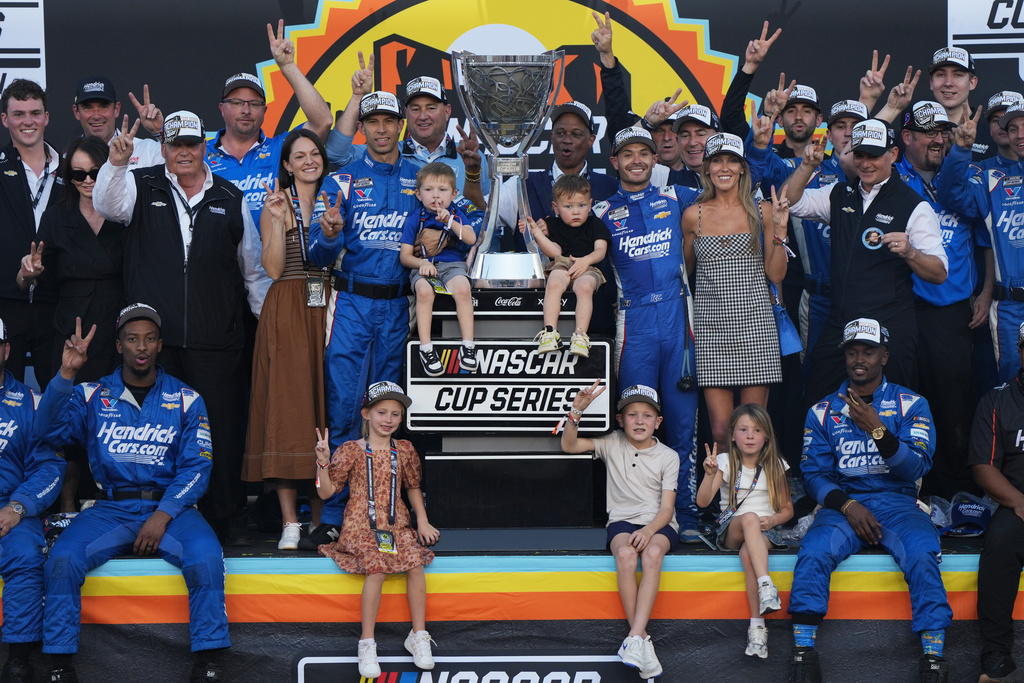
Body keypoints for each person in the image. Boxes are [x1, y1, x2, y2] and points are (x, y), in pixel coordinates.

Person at [93, 112, 264, 546]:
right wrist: (115, 164)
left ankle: (226, 516)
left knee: (221, 432)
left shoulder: (230, 195)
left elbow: (253, 272)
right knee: (159, 433)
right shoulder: (141, 182)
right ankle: (158, 517)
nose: (184, 152)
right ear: (164, 148)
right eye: (175, 145)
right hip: (156, 344)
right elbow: (106, 206)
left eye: (192, 144)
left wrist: (266, 325)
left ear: (205, 146)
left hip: (217, 340)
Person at [36, 305, 230, 683]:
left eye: (149, 338)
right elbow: (47, 432)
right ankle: (60, 667)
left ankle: (207, 665)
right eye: (132, 339)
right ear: (119, 344)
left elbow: (198, 467)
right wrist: (66, 373)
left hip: (172, 510)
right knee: (62, 558)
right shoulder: (91, 394)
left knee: (207, 557)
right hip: (111, 509)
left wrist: (163, 515)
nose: (141, 347)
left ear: (160, 345)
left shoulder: (188, 398)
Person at [788, 318, 951, 683]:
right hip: (845, 505)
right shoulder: (822, 411)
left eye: (868, 351)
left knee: (924, 551)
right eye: (852, 352)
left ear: (885, 356)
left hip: (898, 502)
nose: (859, 359)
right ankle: (803, 656)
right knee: (813, 550)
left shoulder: (912, 404)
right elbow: (814, 476)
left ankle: (934, 661)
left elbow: (916, 466)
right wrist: (847, 506)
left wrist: (877, 429)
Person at [307, 91, 420, 547]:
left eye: (388, 120)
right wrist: (331, 235)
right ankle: (335, 512)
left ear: (400, 125)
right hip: (351, 304)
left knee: (387, 414)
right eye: (371, 120)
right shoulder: (342, 180)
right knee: (343, 408)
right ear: (363, 127)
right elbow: (317, 252)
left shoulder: (421, 175)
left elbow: (461, 222)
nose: (380, 128)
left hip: (398, 306)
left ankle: (383, 512)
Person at [784, 119, 948, 403]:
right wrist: (806, 167)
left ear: (893, 155)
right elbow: (789, 201)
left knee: (890, 411)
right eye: (860, 155)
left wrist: (911, 253)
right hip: (841, 323)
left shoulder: (914, 205)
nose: (866, 163)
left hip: (888, 326)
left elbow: (939, 272)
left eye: (874, 155)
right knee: (819, 402)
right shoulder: (839, 194)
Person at [594, 127, 702, 537]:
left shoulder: (678, 197)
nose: (636, 160)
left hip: (678, 320)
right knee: (635, 422)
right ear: (614, 162)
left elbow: (731, 198)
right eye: (627, 154)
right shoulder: (601, 210)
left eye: (644, 153)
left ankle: (686, 516)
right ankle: (637, 515)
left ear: (656, 159)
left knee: (681, 423)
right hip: (633, 325)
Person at [17, 136, 125, 512]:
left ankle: (112, 501)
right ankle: (64, 506)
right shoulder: (57, 215)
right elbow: (29, 275)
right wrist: (28, 273)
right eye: (78, 173)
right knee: (66, 416)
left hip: (117, 327)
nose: (87, 180)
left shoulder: (124, 209)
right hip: (69, 328)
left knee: (113, 413)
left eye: (95, 171)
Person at [241, 129, 331, 550]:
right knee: (288, 412)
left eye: (315, 154)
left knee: (324, 408)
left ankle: (322, 518)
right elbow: (273, 269)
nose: (309, 161)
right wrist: (277, 221)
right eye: (299, 155)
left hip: (332, 306)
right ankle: (290, 522)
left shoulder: (338, 195)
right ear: (287, 164)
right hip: (290, 307)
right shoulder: (274, 203)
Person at [313, 381, 439, 680]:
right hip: (361, 525)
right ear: (366, 414)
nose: (389, 420)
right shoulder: (351, 450)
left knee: (416, 563)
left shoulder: (405, 450)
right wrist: (322, 462)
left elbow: (413, 487)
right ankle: (367, 643)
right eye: (382, 412)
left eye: (396, 414)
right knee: (377, 566)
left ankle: (418, 635)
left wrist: (421, 520)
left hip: (396, 525)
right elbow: (325, 493)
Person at [894, 100, 985, 498]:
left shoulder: (963, 175)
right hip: (903, 309)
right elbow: (849, 164)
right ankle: (906, 491)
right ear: (907, 137)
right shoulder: (890, 176)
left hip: (951, 313)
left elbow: (987, 240)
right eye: (928, 132)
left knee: (953, 408)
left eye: (942, 132)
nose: (937, 139)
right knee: (901, 404)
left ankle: (953, 494)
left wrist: (985, 291)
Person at [562, 382, 678, 680]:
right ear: (620, 420)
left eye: (647, 415)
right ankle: (640, 641)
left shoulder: (668, 456)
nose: (640, 421)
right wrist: (577, 410)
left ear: (658, 422)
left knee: (652, 554)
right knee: (626, 554)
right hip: (623, 521)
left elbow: (666, 510)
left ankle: (635, 637)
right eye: (632, 414)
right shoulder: (612, 442)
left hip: (660, 523)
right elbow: (569, 445)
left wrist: (651, 530)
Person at [682, 132, 789, 449]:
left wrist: (780, 232)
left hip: (756, 327)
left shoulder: (763, 212)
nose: (724, 167)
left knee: (752, 430)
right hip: (712, 330)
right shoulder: (693, 216)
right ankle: (727, 497)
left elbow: (776, 273)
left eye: (731, 160)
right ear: (707, 168)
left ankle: (752, 497)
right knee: (720, 432)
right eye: (717, 161)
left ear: (743, 168)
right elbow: (685, 274)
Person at [206, 21, 333, 228]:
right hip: (219, 257)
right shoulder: (200, 152)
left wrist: (288, 66)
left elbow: (323, 121)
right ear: (221, 108)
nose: (246, 110)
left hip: (273, 257)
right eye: (237, 103)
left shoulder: (281, 148)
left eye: (254, 104)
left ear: (265, 111)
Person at [695, 403, 792, 660]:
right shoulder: (726, 461)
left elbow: (787, 510)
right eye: (743, 429)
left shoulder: (776, 464)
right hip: (733, 528)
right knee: (748, 517)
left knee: (749, 554)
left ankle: (757, 629)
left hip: (764, 532)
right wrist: (709, 474)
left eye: (757, 430)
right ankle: (766, 584)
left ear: (767, 436)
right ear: (732, 435)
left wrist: (772, 521)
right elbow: (703, 502)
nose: (750, 436)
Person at [0, 316, 65, 683]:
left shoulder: (32, 403)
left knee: (26, 558)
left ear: (6, 350)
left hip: (12, 507)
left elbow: (50, 469)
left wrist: (17, 507)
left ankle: (18, 662)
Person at [328, 57, 487, 201]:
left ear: (447, 111)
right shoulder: (387, 152)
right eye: (415, 109)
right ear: (406, 115)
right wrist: (358, 96)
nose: (423, 116)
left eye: (431, 108)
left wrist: (472, 171)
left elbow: (486, 219)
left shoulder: (471, 158)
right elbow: (336, 153)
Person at [968, 321, 1024, 683]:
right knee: (1000, 546)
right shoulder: (998, 399)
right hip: (1016, 503)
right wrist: (1019, 501)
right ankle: (996, 655)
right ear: (1021, 350)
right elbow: (983, 468)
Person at [0, 79, 62, 388]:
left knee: (59, 402)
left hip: (55, 305)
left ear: (47, 118)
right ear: (5, 119)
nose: (28, 121)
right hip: (6, 304)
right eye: (19, 113)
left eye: (35, 113)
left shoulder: (72, 171)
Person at [400, 162, 478, 376]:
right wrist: (422, 263)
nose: (436, 196)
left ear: (453, 194)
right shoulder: (415, 219)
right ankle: (426, 348)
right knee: (424, 292)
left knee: (463, 288)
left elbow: (471, 238)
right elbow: (405, 257)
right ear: (418, 194)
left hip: (453, 265)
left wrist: (451, 221)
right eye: (429, 190)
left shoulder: (456, 213)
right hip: (424, 267)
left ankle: (468, 347)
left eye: (442, 190)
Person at [522, 174, 610, 357]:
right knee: (554, 281)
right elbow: (555, 252)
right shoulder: (552, 224)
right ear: (556, 207)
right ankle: (549, 333)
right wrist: (537, 233)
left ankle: (580, 336)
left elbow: (600, 251)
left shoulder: (596, 224)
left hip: (589, 267)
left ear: (590, 203)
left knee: (584, 286)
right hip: (562, 265)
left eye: (582, 205)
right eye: (568, 206)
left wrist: (585, 261)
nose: (576, 211)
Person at [70, 76, 162, 169]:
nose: (96, 116)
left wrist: (159, 133)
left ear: (116, 109)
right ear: (76, 112)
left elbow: (174, 169)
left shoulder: (146, 151)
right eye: (88, 108)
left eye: (104, 107)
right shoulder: (68, 159)